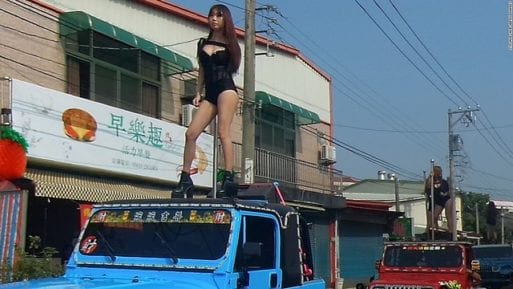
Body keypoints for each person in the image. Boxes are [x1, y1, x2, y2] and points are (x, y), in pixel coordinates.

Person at [173, 4, 241, 198]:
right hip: (210, 93)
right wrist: (198, 92)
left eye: (219, 16)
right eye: (211, 15)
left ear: (225, 19)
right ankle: (185, 179)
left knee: (223, 132)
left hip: (227, 90)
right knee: (191, 133)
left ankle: (228, 178)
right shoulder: (203, 42)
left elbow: (232, 68)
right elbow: (202, 69)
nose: (214, 19)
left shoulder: (231, 44)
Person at [424, 166, 454, 234]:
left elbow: (447, 192)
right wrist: (431, 177)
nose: (439, 174)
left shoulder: (444, 182)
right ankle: (434, 229)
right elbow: (427, 189)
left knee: (448, 215)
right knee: (434, 216)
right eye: (437, 172)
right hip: (438, 201)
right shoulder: (430, 182)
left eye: (439, 172)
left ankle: (451, 231)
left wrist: (444, 193)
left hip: (446, 199)